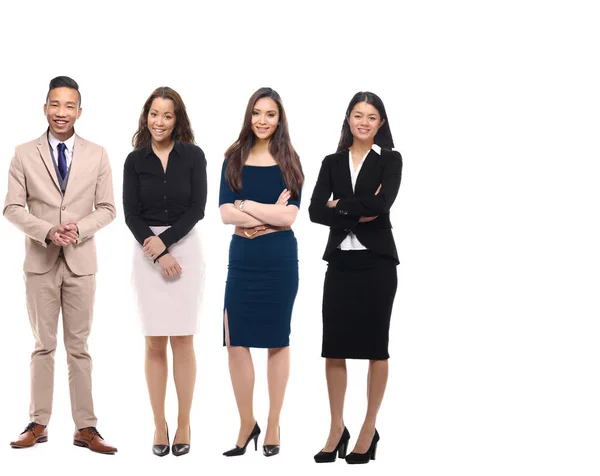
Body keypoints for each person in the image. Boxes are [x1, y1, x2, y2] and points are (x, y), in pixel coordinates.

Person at [4, 76, 117, 454]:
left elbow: (107, 209)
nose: (61, 113)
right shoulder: (23, 153)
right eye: (55, 104)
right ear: (45, 108)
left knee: (79, 347)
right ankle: (38, 422)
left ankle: (86, 427)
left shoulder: (98, 154)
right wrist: (48, 232)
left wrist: (78, 230)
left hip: (82, 263)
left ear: (79, 111)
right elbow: (12, 208)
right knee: (42, 345)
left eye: (69, 106)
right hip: (40, 261)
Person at [309, 91, 402, 464]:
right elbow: (315, 209)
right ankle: (336, 428)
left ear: (381, 123)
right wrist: (354, 210)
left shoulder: (390, 160)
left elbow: (382, 206)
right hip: (341, 265)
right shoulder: (332, 162)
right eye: (358, 115)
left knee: (376, 347)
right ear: (348, 119)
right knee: (334, 346)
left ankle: (368, 427)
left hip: (377, 264)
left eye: (372, 117)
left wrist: (339, 204)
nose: (364, 122)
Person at [219, 87, 303, 458]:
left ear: (279, 118)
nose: (262, 120)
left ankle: (272, 423)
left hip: (279, 260)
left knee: (276, 340)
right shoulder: (233, 158)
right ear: (248, 116)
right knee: (235, 340)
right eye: (257, 112)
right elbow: (224, 214)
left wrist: (247, 205)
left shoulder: (290, 160)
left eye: (270, 114)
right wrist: (264, 213)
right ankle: (246, 422)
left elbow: (289, 216)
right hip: (243, 261)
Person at [123, 87, 207, 457]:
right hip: (146, 249)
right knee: (154, 340)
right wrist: (156, 253)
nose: (159, 122)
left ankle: (185, 421)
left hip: (184, 245)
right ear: (146, 117)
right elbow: (130, 213)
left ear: (178, 120)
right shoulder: (134, 160)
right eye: (154, 114)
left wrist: (168, 243)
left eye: (167, 116)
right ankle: (159, 422)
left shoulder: (193, 156)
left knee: (183, 339)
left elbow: (197, 207)